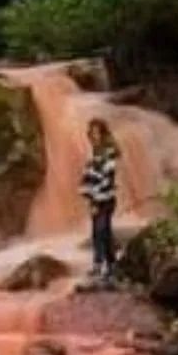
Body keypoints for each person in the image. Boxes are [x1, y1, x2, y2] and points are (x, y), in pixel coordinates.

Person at [80, 119, 119, 280]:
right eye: (91, 132)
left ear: (103, 134)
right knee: (101, 232)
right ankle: (107, 264)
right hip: (97, 199)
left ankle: (103, 265)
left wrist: (94, 199)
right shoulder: (94, 154)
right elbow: (88, 177)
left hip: (105, 199)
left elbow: (106, 178)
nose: (93, 136)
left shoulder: (108, 154)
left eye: (96, 132)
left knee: (100, 230)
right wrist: (88, 194)